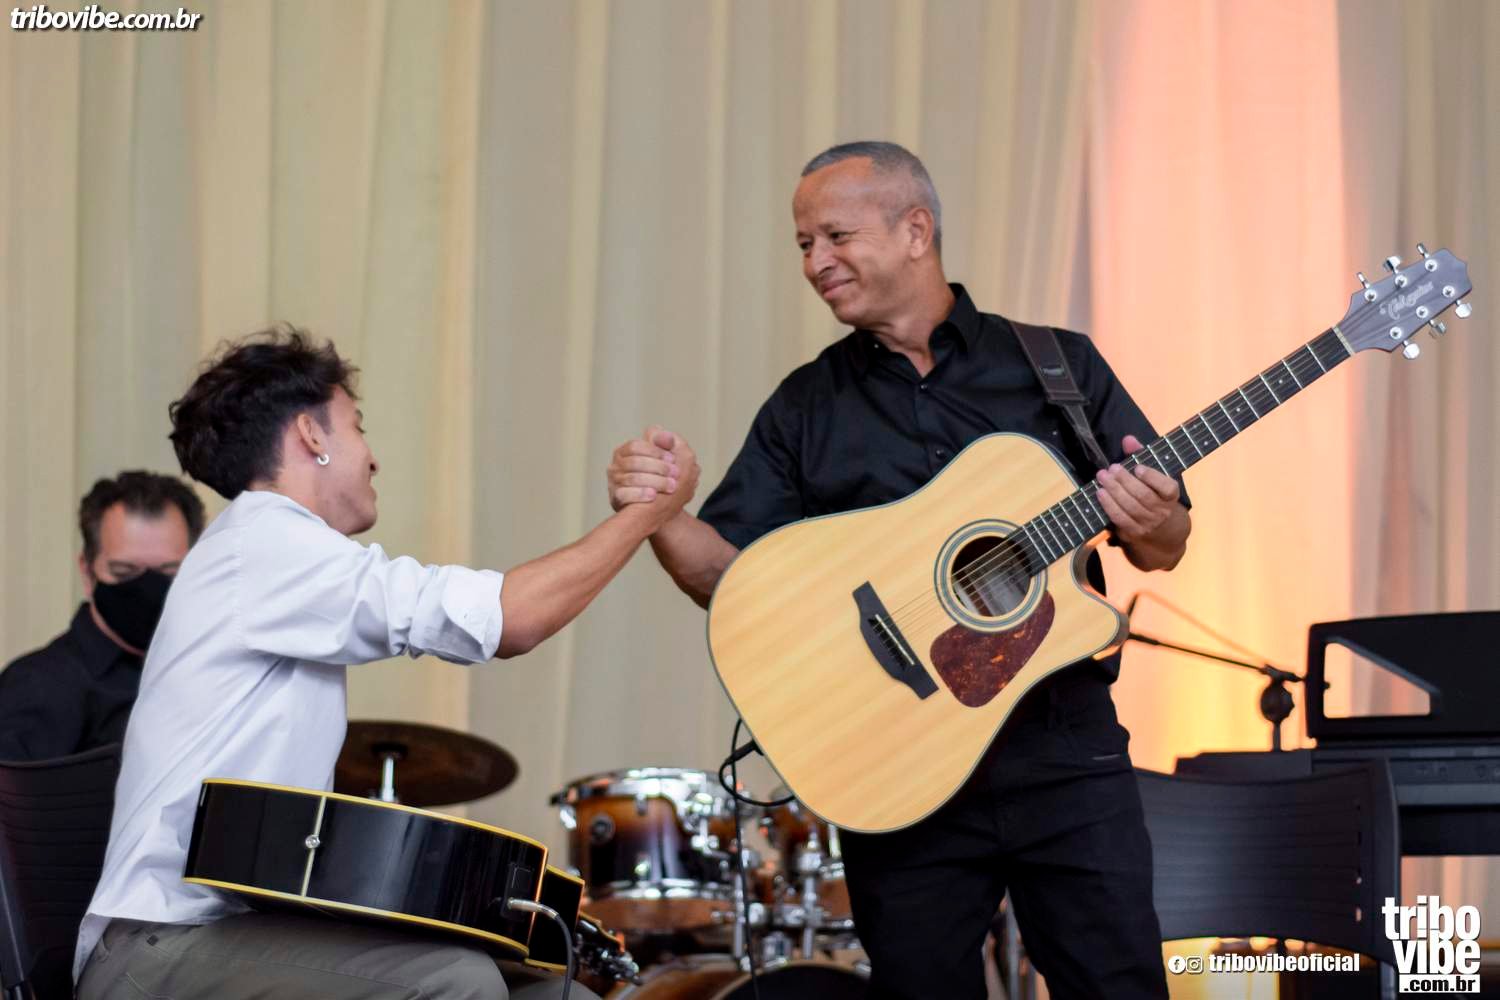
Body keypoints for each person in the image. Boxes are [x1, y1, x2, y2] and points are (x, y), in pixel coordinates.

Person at [607, 141, 1190, 999]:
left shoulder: (1058, 366)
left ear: (916, 231)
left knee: (1120, 988)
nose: (815, 262)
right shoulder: (805, 406)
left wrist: (1156, 518)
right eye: (804, 244)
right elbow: (727, 578)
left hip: (1064, 751)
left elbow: (1163, 545)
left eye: (835, 237)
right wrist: (657, 514)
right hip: (900, 766)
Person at [75, 327, 698, 1000]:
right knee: (455, 982)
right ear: (312, 435)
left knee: (557, 993)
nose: (372, 458)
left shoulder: (266, 550)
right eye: (357, 426)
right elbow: (509, 619)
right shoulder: (262, 541)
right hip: (157, 948)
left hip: (240, 937)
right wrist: (648, 515)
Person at [0, 471, 204, 761]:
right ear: (87, 572)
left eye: (169, 573)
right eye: (124, 572)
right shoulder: (38, 687)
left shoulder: (204, 671)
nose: (147, 588)